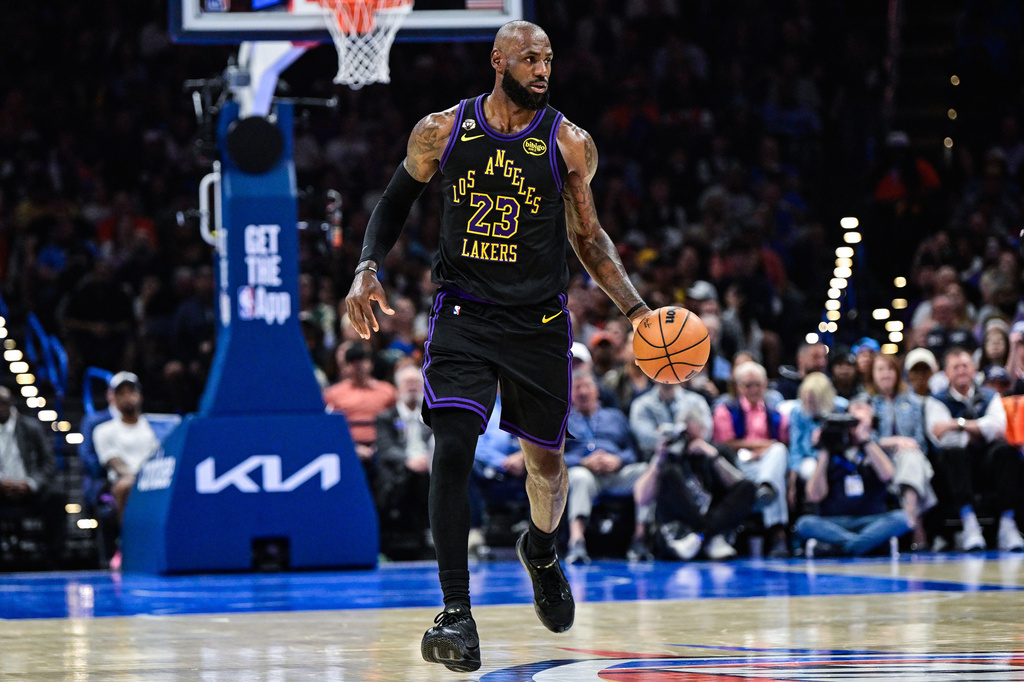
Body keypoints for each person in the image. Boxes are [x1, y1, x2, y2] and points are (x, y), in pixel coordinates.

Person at [343, 20, 651, 673]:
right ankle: (456, 612)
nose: (543, 70)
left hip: (539, 323)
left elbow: (590, 241)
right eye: (531, 59)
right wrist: (366, 266)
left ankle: (540, 549)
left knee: (546, 466)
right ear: (498, 61)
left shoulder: (568, 144)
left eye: (549, 59)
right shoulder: (443, 130)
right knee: (452, 445)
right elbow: (394, 201)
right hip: (465, 315)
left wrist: (638, 310)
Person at [924, 347, 1024, 551]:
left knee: (1005, 450)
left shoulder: (989, 396)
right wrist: (979, 429)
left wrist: (957, 424)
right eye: (955, 367)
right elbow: (941, 437)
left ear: (974, 369)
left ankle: (1008, 524)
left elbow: (998, 428)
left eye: (965, 366)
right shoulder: (936, 400)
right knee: (954, 451)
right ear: (946, 373)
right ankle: (968, 522)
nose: (961, 371)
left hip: (986, 463)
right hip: (953, 468)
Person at [635, 400, 755, 561]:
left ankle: (702, 535)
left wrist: (714, 457)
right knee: (669, 472)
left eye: (694, 436)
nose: (689, 442)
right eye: (686, 436)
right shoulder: (670, 457)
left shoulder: (716, 452)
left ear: (705, 431)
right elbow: (641, 498)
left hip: (713, 518)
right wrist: (658, 459)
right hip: (680, 529)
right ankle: (707, 536)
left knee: (749, 486)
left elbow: (741, 487)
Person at [795, 401, 914, 557]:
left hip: (872, 521)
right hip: (835, 522)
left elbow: (888, 475)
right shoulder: (831, 450)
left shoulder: (874, 448)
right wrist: (823, 451)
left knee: (902, 518)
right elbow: (814, 496)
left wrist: (866, 440)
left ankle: (843, 547)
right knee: (804, 523)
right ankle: (865, 546)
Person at [563, 370, 645, 565]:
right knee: (580, 477)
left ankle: (641, 538)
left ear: (597, 391)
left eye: (587, 387)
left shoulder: (615, 416)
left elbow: (633, 452)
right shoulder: (563, 420)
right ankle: (577, 542)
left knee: (646, 472)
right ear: (570, 394)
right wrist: (583, 461)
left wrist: (618, 460)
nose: (582, 392)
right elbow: (554, 460)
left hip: (617, 473)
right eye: (577, 388)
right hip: (585, 473)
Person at [858, 353, 937, 550]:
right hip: (876, 459)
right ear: (872, 374)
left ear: (897, 373)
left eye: (890, 369)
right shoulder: (864, 402)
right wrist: (896, 441)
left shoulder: (913, 401)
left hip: (909, 457)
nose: (886, 374)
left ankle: (908, 516)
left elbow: (920, 442)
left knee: (912, 458)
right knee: (914, 464)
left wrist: (907, 445)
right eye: (880, 369)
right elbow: (863, 439)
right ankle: (916, 527)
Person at [711, 361, 790, 557]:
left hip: (767, 463)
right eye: (748, 385)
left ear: (765, 385)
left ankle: (766, 487)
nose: (754, 389)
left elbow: (783, 444)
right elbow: (726, 443)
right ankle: (777, 533)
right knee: (775, 460)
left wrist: (766, 450)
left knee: (778, 455)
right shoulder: (726, 410)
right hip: (738, 465)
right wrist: (763, 446)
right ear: (738, 387)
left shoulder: (775, 413)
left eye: (758, 384)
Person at [92, 371, 161, 571]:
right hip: (121, 482)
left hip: (155, 479)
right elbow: (113, 461)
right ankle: (127, 545)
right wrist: (135, 477)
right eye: (120, 393)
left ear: (139, 395)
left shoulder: (155, 427)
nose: (127, 397)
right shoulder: (103, 430)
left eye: (131, 391)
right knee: (125, 486)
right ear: (112, 397)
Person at [373, 364, 434, 559]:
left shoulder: (433, 416)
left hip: (429, 466)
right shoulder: (386, 417)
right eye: (407, 383)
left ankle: (432, 534)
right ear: (398, 388)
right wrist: (409, 460)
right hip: (399, 470)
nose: (412, 387)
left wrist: (428, 459)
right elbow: (386, 448)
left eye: (416, 382)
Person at [0, 386, 60, 565]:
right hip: (1, 492)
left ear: (11, 403)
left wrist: (31, 483)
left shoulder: (30, 427)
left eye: (3, 402)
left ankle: (53, 559)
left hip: (29, 490)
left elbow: (49, 463)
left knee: (56, 498)